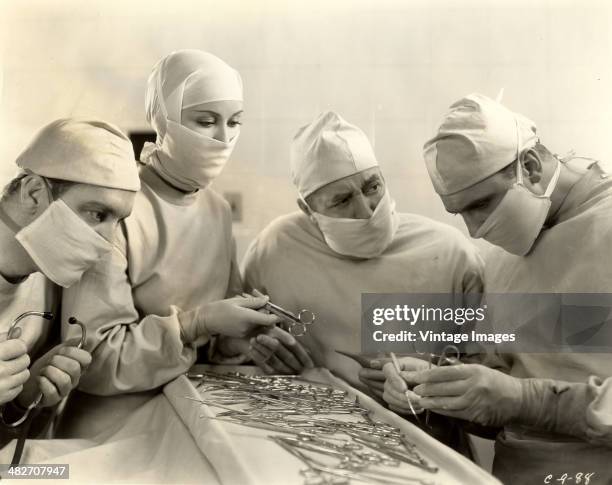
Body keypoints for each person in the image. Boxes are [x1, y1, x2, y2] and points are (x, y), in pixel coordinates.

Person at [383, 93, 612, 482]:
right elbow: (503, 400)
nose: (474, 230)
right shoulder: (505, 255)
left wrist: (529, 401)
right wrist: (438, 390)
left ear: (530, 165)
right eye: (460, 213)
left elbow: (520, 399)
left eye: (481, 204)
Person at [58, 50, 280, 438]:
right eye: (206, 121)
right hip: (113, 427)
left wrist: (239, 343)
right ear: (163, 119)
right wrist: (197, 323)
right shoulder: (115, 208)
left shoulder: (216, 209)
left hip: (193, 408)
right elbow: (92, 360)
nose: (224, 138)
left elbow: (217, 340)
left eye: (234, 122)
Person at [241, 111, 484, 398]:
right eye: (342, 200)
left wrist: (433, 379)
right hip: (311, 418)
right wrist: (260, 347)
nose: (367, 210)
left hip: (428, 431)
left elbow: (491, 369)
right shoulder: (277, 249)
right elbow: (234, 339)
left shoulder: (452, 254)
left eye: (372, 187)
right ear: (308, 209)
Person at [0, 118, 140, 440]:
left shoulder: (48, 281)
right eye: (98, 214)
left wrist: (22, 400)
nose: (109, 245)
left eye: (118, 221)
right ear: (34, 193)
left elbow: (8, 455)